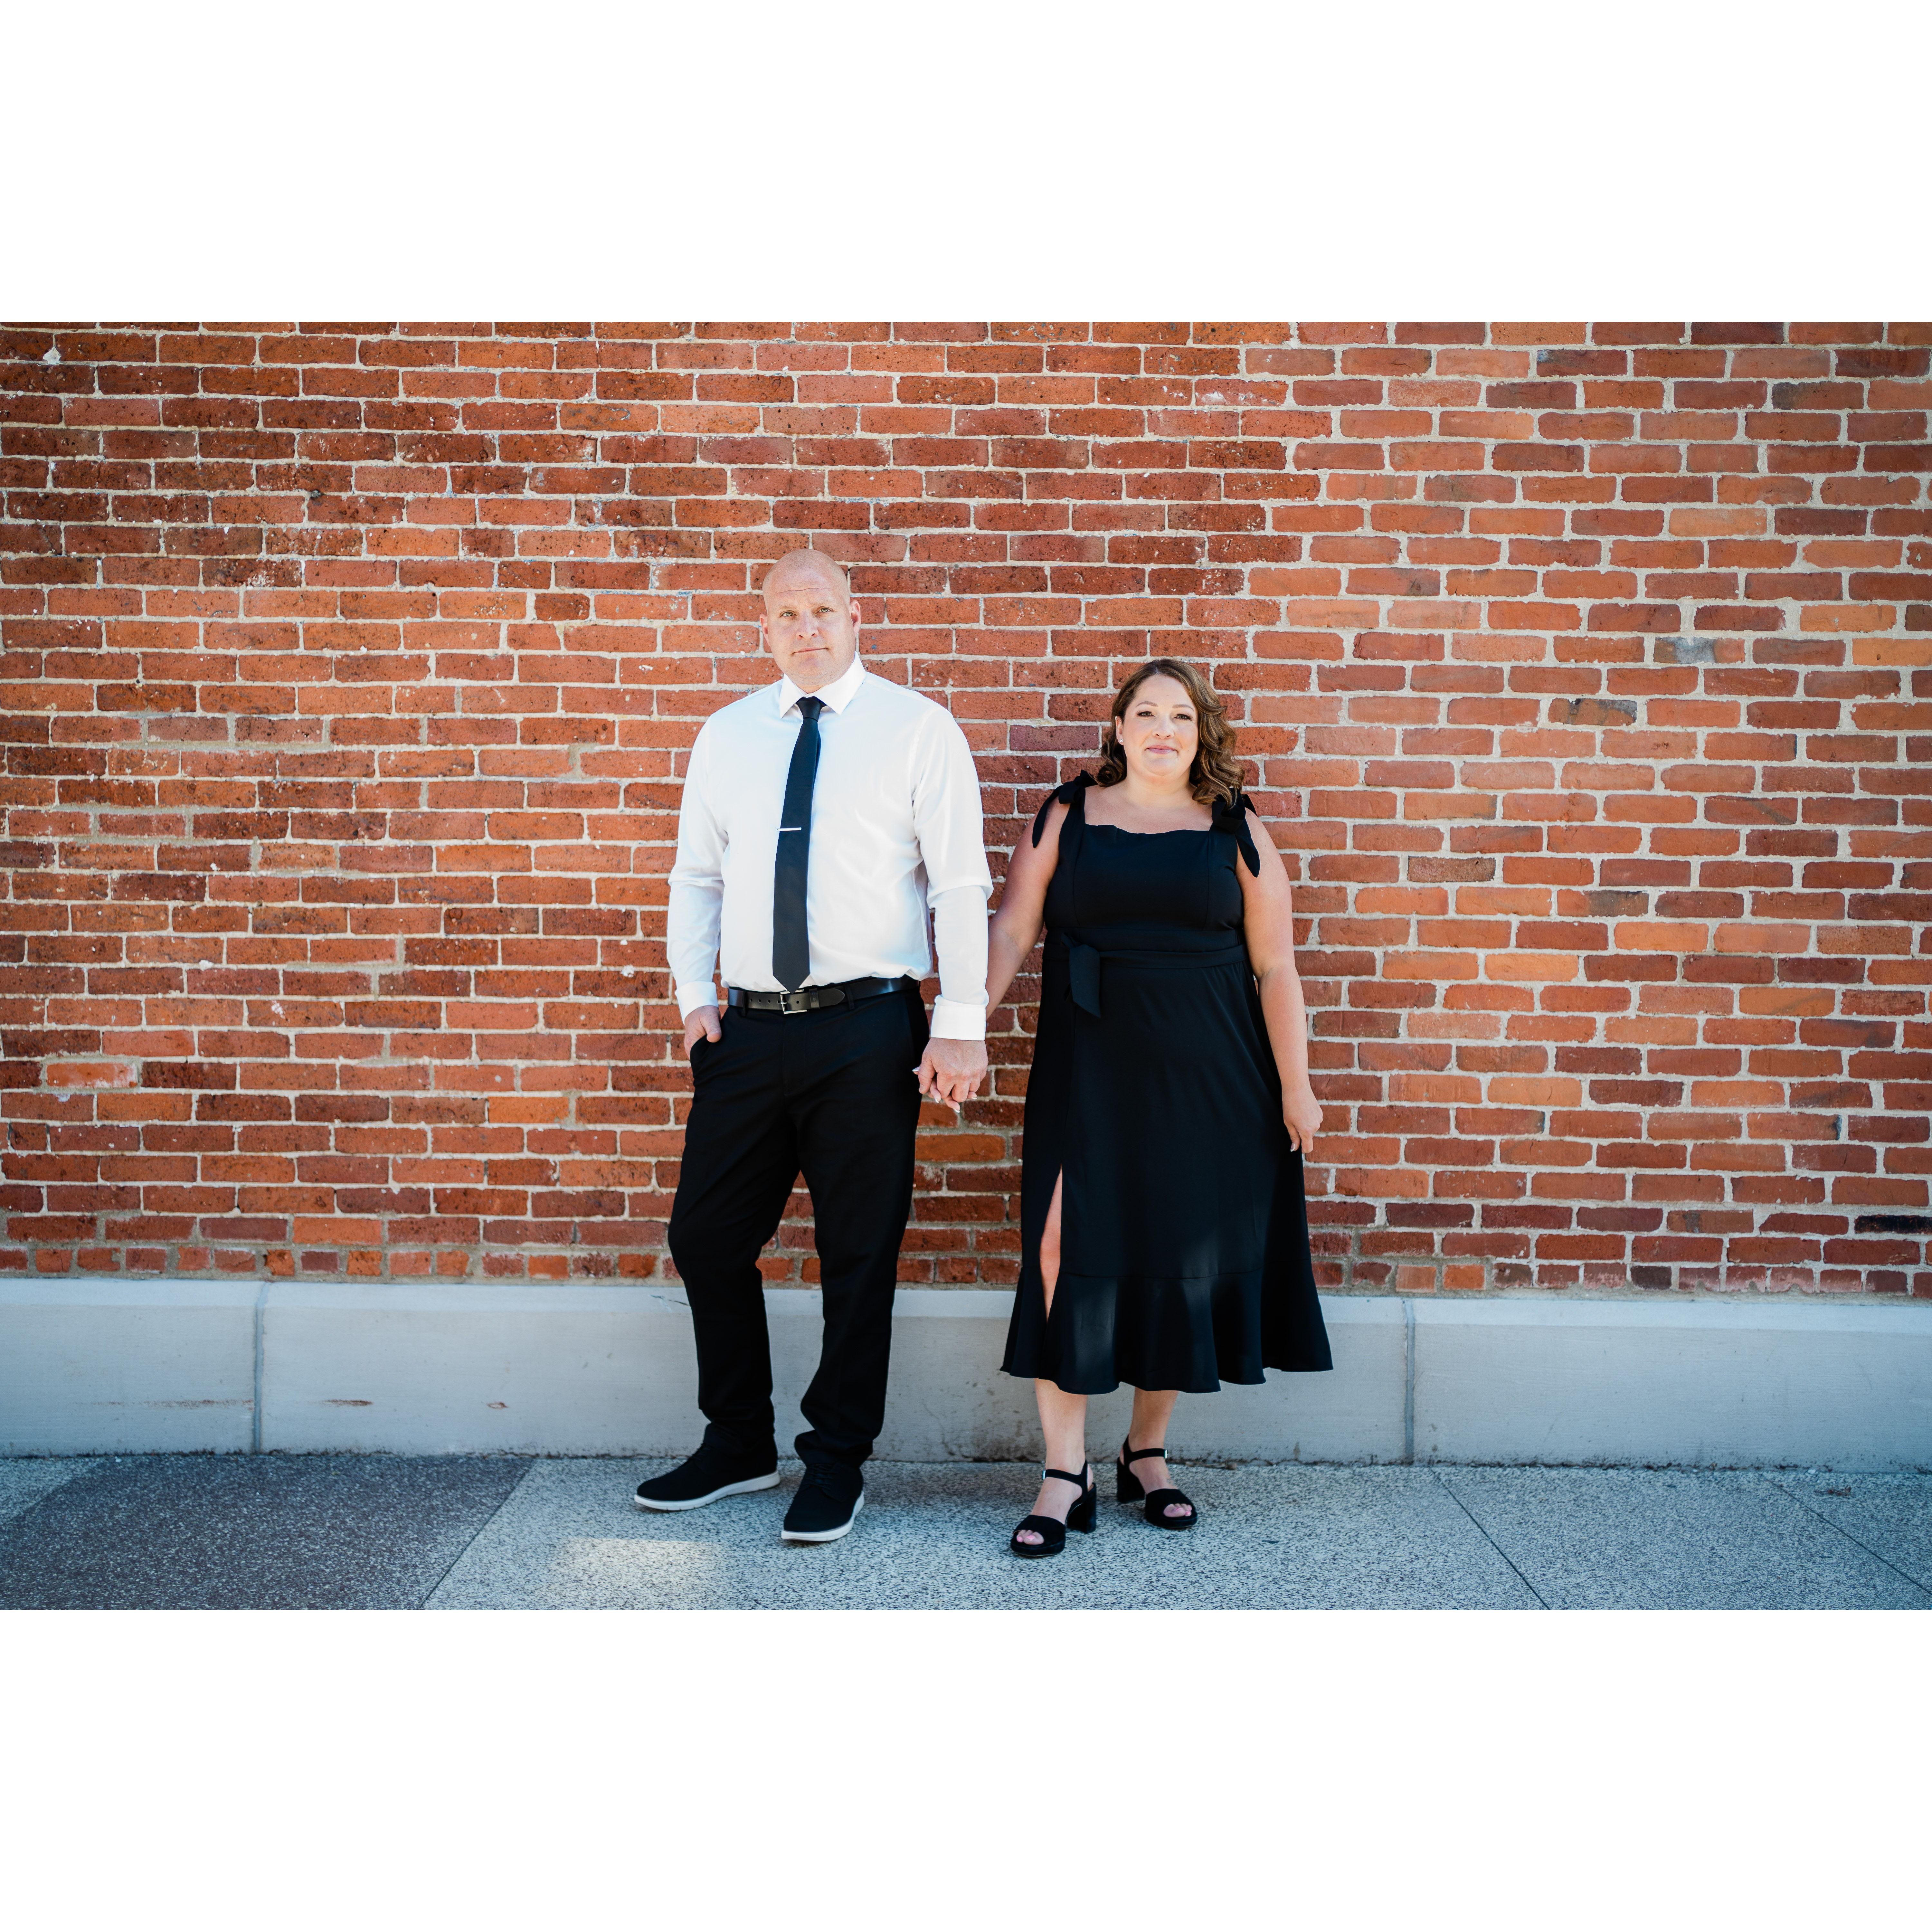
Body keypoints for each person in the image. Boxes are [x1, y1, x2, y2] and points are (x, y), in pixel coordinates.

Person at [641, 548, 991, 1543]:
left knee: (857, 1252)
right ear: (764, 627)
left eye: (822, 610)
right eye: (786, 614)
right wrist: (693, 998)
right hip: (748, 1030)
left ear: (854, 615)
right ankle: (738, 1442)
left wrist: (960, 1022)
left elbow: (958, 882)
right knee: (706, 1238)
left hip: (867, 1029)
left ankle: (837, 1460)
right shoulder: (727, 735)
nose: (806, 629)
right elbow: (697, 875)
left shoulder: (917, 729)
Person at [985, 658, 1332, 1557]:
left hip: (1211, 1078)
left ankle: (1147, 1453)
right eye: (1146, 712)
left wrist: (1297, 1086)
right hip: (1087, 1068)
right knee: (1060, 1248)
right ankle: (1065, 1472)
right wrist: (962, 1028)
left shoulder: (1237, 827)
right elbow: (1014, 927)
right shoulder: (1067, 815)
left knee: (1177, 1256)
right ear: (1120, 727)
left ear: (1201, 730)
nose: (1163, 729)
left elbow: (1276, 967)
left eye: (1181, 715)